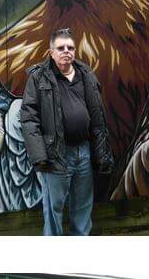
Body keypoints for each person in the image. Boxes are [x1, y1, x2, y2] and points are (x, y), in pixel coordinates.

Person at [20, 28, 114, 236]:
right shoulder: (38, 78)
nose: (66, 51)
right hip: (56, 154)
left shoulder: (86, 75)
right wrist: (40, 155)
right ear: (51, 52)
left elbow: (97, 117)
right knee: (53, 209)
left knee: (82, 208)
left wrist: (100, 152)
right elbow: (29, 119)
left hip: (84, 152)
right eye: (60, 48)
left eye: (70, 47)